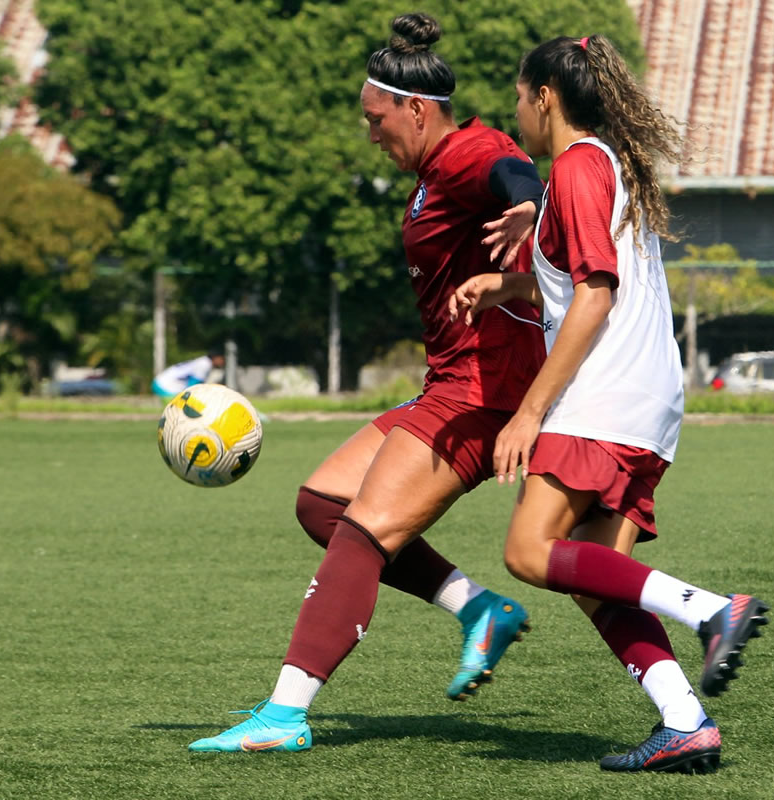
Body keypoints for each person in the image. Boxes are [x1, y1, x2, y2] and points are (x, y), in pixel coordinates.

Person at [188, 13, 548, 753]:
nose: (369, 132)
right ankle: (478, 609)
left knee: (363, 534)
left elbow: (508, 171)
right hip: (447, 382)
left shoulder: (466, 151)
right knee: (322, 503)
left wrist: (527, 204)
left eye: (374, 117)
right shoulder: (427, 174)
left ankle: (284, 714)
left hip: (486, 391)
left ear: (414, 109)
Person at [448, 34, 770, 774]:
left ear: (546, 98)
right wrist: (508, 286)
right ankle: (686, 723)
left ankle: (712, 610)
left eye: (519, 98)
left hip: (605, 397)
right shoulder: (610, 168)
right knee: (594, 576)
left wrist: (530, 411)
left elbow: (596, 294)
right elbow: (578, 279)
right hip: (650, 400)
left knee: (527, 552)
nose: (517, 113)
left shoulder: (576, 168)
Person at [151, 348, 225, 399]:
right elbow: (192, 386)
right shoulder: (205, 364)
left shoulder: (203, 361)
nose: (223, 362)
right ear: (216, 358)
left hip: (160, 382)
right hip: (166, 386)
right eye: (222, 359)